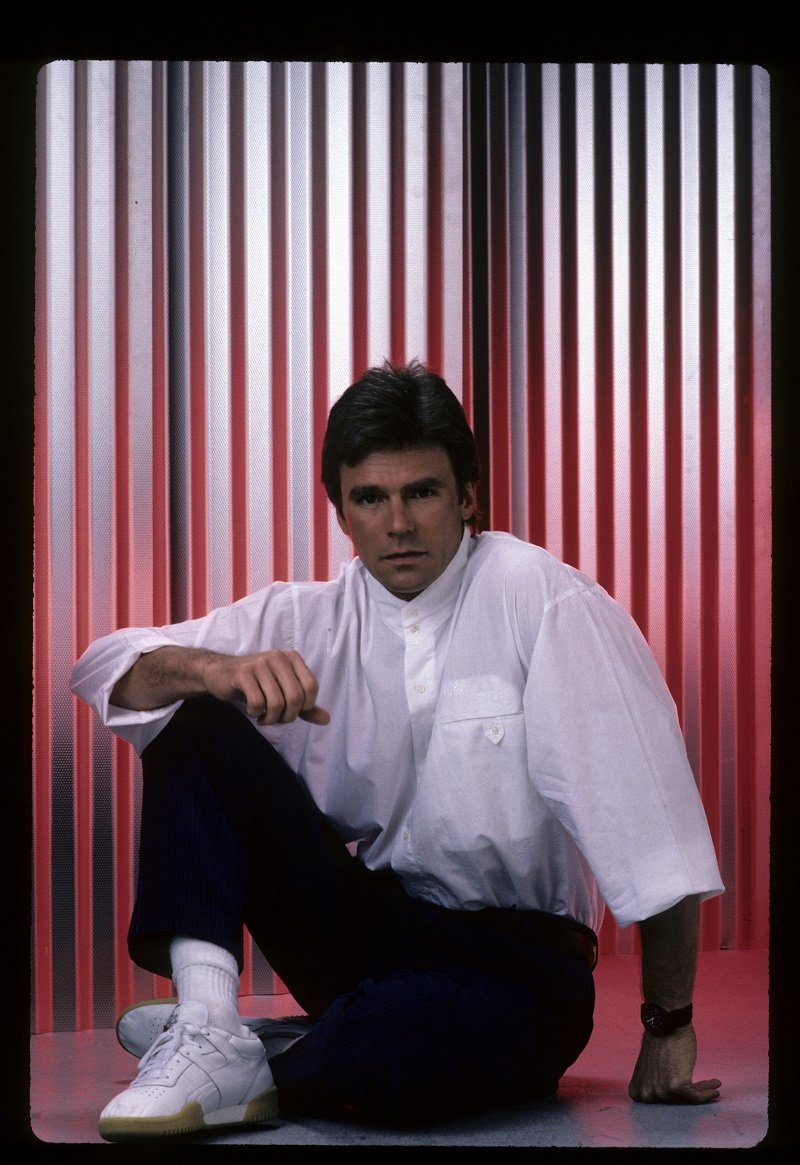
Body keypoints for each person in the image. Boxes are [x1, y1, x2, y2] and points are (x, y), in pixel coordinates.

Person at [70, 360, 724, 1142]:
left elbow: (649, 816)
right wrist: (217, 669)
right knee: (195, 715)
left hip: (518, 966)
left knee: (396, 1046)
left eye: (423, 491)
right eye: (371, 498)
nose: (399, 523)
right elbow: (107, 667)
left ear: (468, 496)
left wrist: (669, 1025)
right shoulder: (307, 616)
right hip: (368, 931)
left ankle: (264, 1054)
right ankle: (210, 1023)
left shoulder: (541, 598)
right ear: (342, 513)